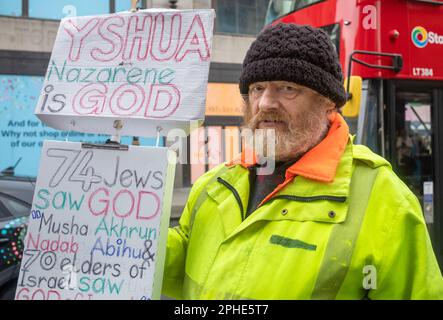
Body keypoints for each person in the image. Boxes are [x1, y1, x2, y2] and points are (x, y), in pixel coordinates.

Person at [162, 23, 443, 299]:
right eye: (258, 88)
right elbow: (179, 263)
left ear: (329, 103)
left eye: (287, 88)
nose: (265, 103)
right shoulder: (214, 184)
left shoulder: (385, 199)